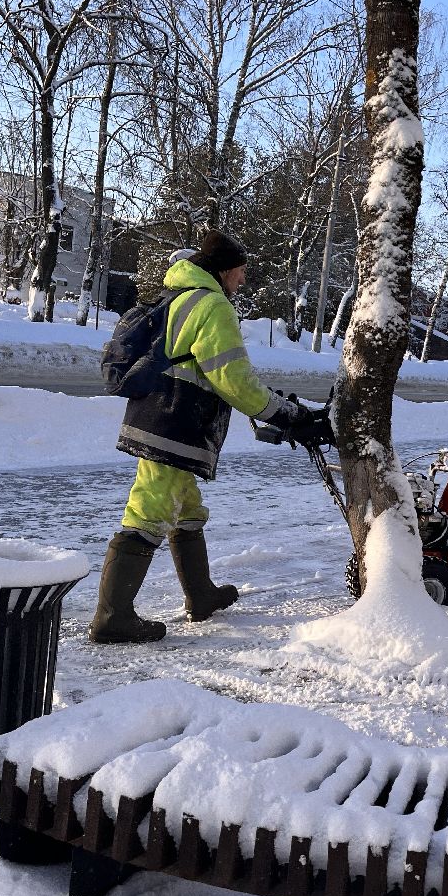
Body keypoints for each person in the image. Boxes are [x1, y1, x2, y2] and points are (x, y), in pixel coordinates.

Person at [90, 230, 334, 644]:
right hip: (175, 421)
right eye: (239, 272)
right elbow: (231, 377)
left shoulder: (184, 296)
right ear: (223, 271)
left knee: (186, 506)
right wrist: (285, 413)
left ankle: (200, 595)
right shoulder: (212, 304)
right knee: (148, 510)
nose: (242, 281)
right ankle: (113, 617)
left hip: (164, 416)